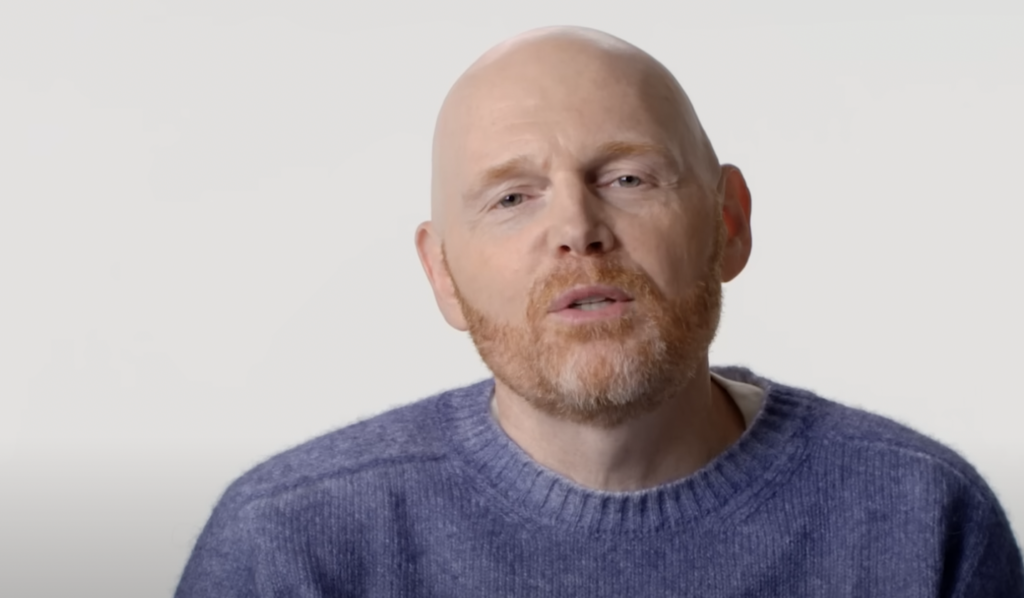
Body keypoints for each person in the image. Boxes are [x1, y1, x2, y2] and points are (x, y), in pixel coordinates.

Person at [175, 26, 1024, 597]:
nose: (578, 230)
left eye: (627, 179)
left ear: (728, 224)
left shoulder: (922, 522)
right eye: (513, 197)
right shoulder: (291, 548)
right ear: (443, 274)